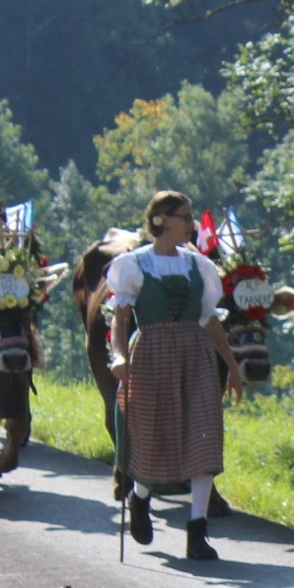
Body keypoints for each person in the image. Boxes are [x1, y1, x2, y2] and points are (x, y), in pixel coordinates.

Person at [104, 191, 244, 562]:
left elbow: (210, 320)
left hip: (195, 356)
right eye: (185, 217)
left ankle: (197, 531)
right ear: (163, 220)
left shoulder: (199, 266)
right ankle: (140, 497)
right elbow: (120, 318)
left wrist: (232, 367)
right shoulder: (134, 265)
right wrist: (118, 354)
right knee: (153, 438)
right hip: (151, 356)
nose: (191, 224)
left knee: (204, 437)